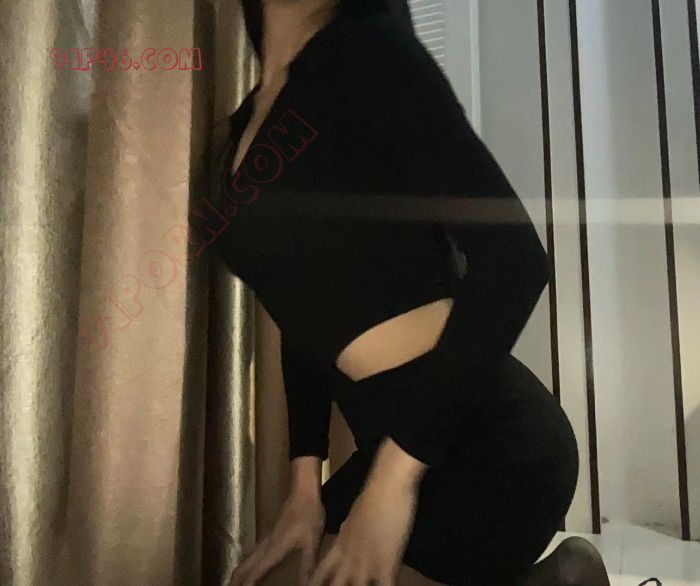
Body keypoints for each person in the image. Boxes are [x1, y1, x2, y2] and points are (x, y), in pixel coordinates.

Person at [200, 0, 611, 584]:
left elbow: (516, 261)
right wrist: (304, 491)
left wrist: (393, 482)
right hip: (387, 446)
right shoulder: (252, 121)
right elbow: (301, 313)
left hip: (489, 444)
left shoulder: (372, 53)